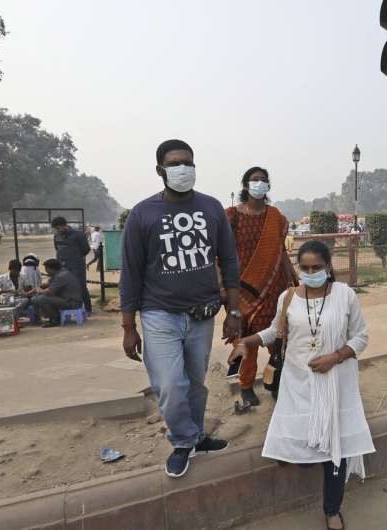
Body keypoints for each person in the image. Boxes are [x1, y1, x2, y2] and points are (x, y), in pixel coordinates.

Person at [229, 240, 373, 530]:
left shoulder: (344, 295)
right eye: (304, 268)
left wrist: (335, 357)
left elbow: (360, 337)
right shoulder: (289, 297)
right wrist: (247, 342)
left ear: (328, 266)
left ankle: (332, 510)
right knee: (302, 449)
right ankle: (298, 458)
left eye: (316, 267)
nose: (310, 272)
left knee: (335, 447)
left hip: (335, 383)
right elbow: (274, 331)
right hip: (296, 383)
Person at [120, 139, 241, 479]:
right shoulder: (143, 214)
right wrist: (129, 327)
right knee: (171, 385)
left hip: (203, 314)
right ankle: (183, 440)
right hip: (159, 313)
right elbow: (131, 273)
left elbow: (229, 262)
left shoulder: (212, 208)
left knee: (195, 383)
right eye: (175, 164)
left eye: (188, 162)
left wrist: (234, 312)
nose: (182, 169)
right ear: (160, 170)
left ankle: (196, 435)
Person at [224, 166, 298, 406]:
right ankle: (246, 386)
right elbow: (220, 255)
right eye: (254, 180)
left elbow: (281, 253)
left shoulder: (275, 217)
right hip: (241, 291)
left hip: (273, 288)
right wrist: (224, 289)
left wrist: (293, 283)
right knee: (247, 340)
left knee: (279, 338)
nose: (259, 183)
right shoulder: (231, 216)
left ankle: (276, 381)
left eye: (264, 180)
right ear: (245, 185)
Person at [51, 216, 91, 313]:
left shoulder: (78, 235)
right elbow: (57, 248)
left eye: (59, 228)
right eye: (56, 229)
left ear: (65, 225)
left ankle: (88, 309)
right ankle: (68, 308)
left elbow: (86, 249)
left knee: (81, 286)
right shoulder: (56, 236)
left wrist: (75, 256)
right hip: (62, 267)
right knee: (63, 287)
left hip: (77, 266)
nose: (57, 231)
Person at [29, 258, 84, 327]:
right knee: (35, 299)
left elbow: (48, 292)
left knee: (41, 299)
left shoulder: (61, 276)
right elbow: (48, 284)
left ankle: (56, 319)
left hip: (72, 302)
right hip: (66, 299)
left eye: (47, 269)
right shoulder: (60, 272)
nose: (46, 271)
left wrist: (39, 291)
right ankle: (49, 316)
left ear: (52, 269)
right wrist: (36, 288)